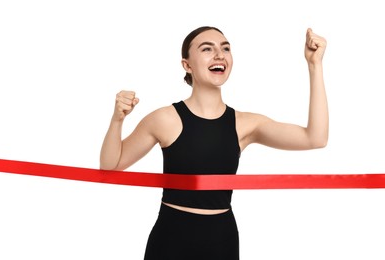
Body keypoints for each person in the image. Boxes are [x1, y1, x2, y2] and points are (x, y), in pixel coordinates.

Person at [100, 26, 328, 260]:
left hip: (222, 241)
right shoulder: (164, 119)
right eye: (207, 49)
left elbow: (316, 138)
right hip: (171, 240)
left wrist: (314, 65)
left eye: (225, 48)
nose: (219, 54)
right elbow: (110, 166)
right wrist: (118, 119)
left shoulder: (246, 124)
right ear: (187, 65)